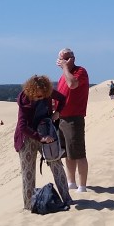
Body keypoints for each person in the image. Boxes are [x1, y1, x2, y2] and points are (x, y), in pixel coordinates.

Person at [14, 75, 72, 210]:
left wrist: (58, 112)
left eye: (43, 96)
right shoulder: (24, 99)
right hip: (27, 137)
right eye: (38, 96)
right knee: (28, 172)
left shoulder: (48, 92)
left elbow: (63, 99)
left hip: (45, 132)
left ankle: (67, 199)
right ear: (31, 91)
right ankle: (29, 206)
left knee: (56, 164)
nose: (40, 98)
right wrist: (39, 138)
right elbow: (22, 126)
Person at [56, 48, 90, 193]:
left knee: (78, 153)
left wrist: (65, 67)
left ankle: (82, 186)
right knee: (68, 153)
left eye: (65, 58)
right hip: (62, 119)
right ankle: (71, 182)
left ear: (72, 59)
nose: (62, 61)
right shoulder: (63, 76)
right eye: (60, 58)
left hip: (74, 119)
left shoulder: (80, 71)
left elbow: (72, 84)